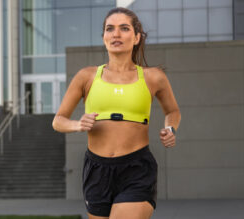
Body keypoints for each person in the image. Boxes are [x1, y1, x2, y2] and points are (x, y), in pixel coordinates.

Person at [52, 7, 181, 219]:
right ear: (104, 37)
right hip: (96, 169)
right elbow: (58, 121)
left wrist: (170, 128)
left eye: (124, 28)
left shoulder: (153, 77)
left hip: (137, 168)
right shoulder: (86, 76)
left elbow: (173, 111)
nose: (116, 34)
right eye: (110, 29)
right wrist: (77, 125)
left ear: (137, 37)